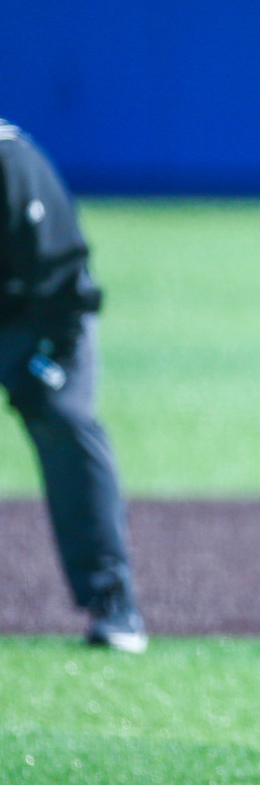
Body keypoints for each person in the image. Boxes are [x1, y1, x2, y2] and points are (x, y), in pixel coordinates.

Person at [0, 119, 146, 653]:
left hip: (44, 316)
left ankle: (114, 602)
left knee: (63, 417)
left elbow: (66, 279)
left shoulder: (10, 165)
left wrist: (53, 362)